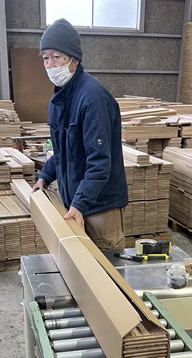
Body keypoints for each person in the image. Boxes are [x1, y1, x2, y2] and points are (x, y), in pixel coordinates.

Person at [33, 18, 128, 251]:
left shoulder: (93, 99)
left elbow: (100, 162)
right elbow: (61, 152)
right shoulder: (58, 100)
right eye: (45, 58)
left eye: (57, 57)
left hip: (99, 209)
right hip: (75, 203)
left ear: (74, 59)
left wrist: (80, 203)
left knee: (105, 267)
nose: (50, 64)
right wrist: (45, 176)